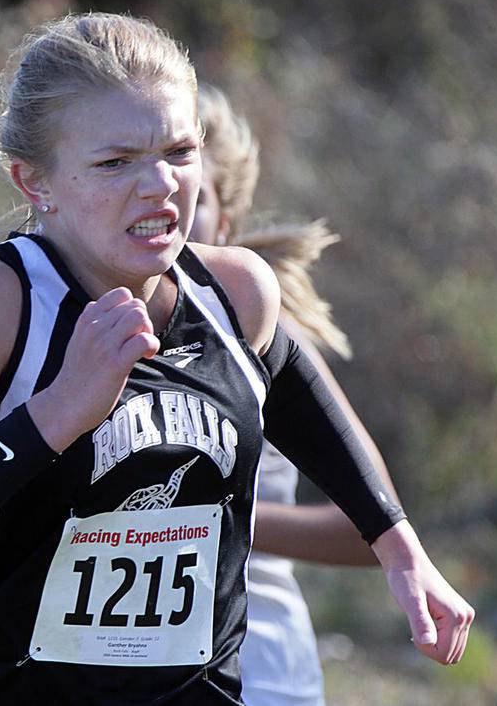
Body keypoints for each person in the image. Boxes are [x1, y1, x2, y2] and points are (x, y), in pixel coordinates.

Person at [0, 13, 474, 705]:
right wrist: (54, 416)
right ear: (34, 182)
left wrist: (402, 553)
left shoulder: (236, 295)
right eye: (115, 162)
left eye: (179, 151)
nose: (160, 185)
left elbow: (321, 431)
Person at [192, 85, 399, 706]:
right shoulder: (49, 319)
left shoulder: (263, 335)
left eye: (193, 194)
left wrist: (195, 514)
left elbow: (368, 526)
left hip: (257, 666)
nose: (160, 203)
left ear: (224, 221)